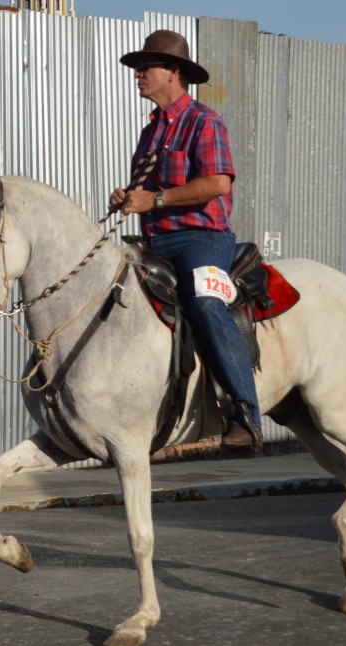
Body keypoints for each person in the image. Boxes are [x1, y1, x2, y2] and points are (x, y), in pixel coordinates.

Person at [108, 30, 261, 450]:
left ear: (173, 72)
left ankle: (245, 413)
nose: (138, 75)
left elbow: (217, 183)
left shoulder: (204, 121)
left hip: (201, 239)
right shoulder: (151, 131)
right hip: (155, 240)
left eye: (146, 68)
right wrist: (128, 196)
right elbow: (148, 190)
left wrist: (155, 199)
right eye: (138, 68)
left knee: (205, 304)